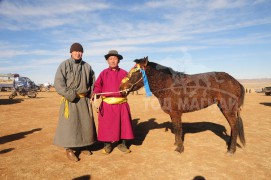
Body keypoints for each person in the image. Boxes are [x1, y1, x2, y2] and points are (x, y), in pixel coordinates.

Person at [53, 43, 97, 162]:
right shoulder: (64, 65)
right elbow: (58, 84)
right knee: (70, 126)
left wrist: (92, 94)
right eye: (75, 51)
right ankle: (69, 149)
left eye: (80, 51)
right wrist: (70, 95)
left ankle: (83, 145)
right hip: (70, 101)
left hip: (84, 100)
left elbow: (93, 83)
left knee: (84, 125)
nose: (78, 53)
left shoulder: (87, 66)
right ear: (71, 52)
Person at [92, 50, 134, 154]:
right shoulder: (103, 73)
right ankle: (107, 145)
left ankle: (122, 144)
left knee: (123, 125)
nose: (113, 61)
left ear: (118, 60)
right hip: (107, 105)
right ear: (107, 61)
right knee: (107, 125)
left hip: (122, 104)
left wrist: (128, 89)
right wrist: (96, 93)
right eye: (110, 59)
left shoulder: (125, 73)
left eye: (115, 59)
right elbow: (98, 85)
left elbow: (130, 85)